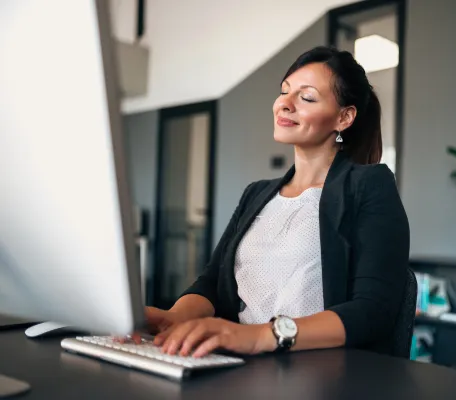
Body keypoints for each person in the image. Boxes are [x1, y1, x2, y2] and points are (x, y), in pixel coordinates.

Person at [137, 46, 410, 358]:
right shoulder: (256, 194)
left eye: (306, 97)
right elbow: (212, 283)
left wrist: (259, 336)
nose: (285, 104)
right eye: (284, 92)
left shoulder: (369, 186)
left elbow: (372, 310)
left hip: (317, 371)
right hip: (237, 364)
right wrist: (172, 317)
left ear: (344, 117)